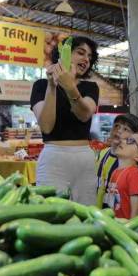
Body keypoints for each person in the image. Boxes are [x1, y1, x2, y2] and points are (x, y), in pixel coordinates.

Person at [31, 36, 100, 206]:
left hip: (84, 158)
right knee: (51, 211)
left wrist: (70, 87)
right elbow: (46, 126)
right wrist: (52, 85)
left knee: (87, 213)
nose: (86, 59)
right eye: (81, 53)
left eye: (90, 57)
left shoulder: (90, 87)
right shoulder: (41, 85)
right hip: (53, 158)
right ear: (64, 54)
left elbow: (84, 114)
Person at [95, 114, 138, 207]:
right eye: (116, 126)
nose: (119, 131)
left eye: (125, 129)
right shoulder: (103, 153)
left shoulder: (128, 160)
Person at [104, 132, 138, 219]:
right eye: (125, 139)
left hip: (126, 228)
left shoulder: (134, 174)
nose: (123, 141)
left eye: (131, 141)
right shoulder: (115, 171)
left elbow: (135, 212)